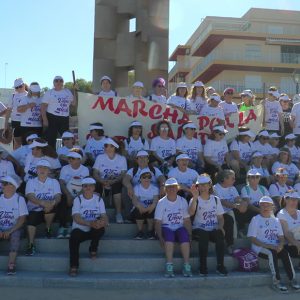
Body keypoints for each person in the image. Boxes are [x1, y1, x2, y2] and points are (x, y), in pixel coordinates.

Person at [248, 196, 300, 292]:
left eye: (268, 205)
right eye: (262, 205)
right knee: (271, 253)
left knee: (284, 252)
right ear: (259, 207)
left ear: (272, 207)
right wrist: (269, 246)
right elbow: (252, 239)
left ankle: (292, 279)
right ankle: (277, 281)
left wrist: (280, 245)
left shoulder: (276, 220)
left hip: (275, 246)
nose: (265, 207)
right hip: (260, 247)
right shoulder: (255, 219)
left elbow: (281, 237)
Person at [69, 177, 108, 277]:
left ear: (94, 187)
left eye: (90, 186)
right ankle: (74, 266)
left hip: (93, 228)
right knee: (73, 237)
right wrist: (90, 223)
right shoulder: (78, 200)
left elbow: (104, 216)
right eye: (85, 186)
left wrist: (102, 222)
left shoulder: (99, 199)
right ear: (82, 187)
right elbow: (76, 217)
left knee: (100, 229)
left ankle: (93, 249)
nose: (88, 188)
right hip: (80, 229)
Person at [189, 174, 227, 276]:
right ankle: (202, 266)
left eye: (206, 185)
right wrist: (195, 198)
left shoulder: (215, 199)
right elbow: (190, 213)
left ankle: (220, 266)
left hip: (213, 229)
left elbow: (220, 218)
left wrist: (220, 227)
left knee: (219, 234)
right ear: (198, 187)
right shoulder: (194, 199)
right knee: (204, 235)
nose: (204, 187)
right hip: (198, 229)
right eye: (201, 185)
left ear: (210, 185)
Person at [154, 178, 192, 277]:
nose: (172, 189)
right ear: (166, 189)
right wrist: (160, 237)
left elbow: (186, 220)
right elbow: (158, 222)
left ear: (177, 188)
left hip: (179, 227)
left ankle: (186, 265)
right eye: (169, 187)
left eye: (174, 187)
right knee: (169, 236)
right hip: (166, 227)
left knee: (184, 236)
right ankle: (169, 266)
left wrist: (190, 235)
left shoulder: (183, 201)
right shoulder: (161, 202)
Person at [25, 159, 61, 255]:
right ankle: (31, 245)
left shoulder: (54, 182)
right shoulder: (31, 182)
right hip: (34, 210)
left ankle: (48, 228)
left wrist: (52, 203)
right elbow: (30, 196)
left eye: (45, 168)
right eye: (40, 167)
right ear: (36, 170)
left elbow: (58, 196)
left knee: (52, 208)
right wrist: (43, 203)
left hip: (49, 210)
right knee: (31, 220)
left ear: (49, 171)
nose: (42, 170)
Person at [93, 138, 127, 224]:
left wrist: (114, 181)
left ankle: (118, 214)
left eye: (110, 146)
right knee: (96, 187)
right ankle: (97, 213)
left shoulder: (122, 158)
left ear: (115, 147)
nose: (107, 148)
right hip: (102, 182)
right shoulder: (100, 157)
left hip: (116, 182)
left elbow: (123, 174)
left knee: (117, 187)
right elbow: (95, 173)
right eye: (105, 146)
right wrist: (102, 181)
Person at [57, 149, 89, 238]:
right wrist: (68, 195)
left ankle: (71, 226)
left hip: (80, 194)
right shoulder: (65, 168)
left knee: (78, 202)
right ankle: (62, 226)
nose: (70, 159)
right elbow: (61, 182)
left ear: (79, 159)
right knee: (62, 200)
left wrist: (77, 197)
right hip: (67, 193)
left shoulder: (85, 169)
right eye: (69, 158)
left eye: (72, 158)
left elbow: (86, 185)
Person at [214, 170, 247, 253]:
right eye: (232, 179)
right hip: (219, 213)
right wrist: (236, 206)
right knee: (231, 215)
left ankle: (241, 230)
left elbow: (237, 198)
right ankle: (230, 244)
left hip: (230, 210)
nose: (234, 180)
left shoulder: (232, 188)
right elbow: (222, 202)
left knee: (244, 208)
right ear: (225, 179)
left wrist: (242, 203)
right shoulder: (215, 188)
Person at [0, 175, 28, 275]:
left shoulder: (19, 199)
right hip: (1, 229)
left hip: (16, 228)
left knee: (15, 235)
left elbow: (22, 219)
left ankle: (11, 264)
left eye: (5, 184)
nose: (2, 186)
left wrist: (10, 231)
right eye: (3, 184)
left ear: (13, 186)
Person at [41, 75, 76, 148]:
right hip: (52, 117)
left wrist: (74, 91)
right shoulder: (49, 92)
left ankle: (66, 154)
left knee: (66, 137)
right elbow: (43, 106)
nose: (59, 82)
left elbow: (73, 103)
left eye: (61, 81)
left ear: (63, 83)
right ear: (53, 83)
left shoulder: (67, 91)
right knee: (51, 138)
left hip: (64, 118)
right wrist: (45, 119)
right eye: (56, 81)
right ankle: (51, 156)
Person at [131, 168, 159, 240]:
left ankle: (150, 232)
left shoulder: (155, 188)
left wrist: (150, 208)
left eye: (149, 177)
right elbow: (134, 201)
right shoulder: (136, 188)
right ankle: (140, 231)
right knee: (138, 209)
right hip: (140, 210)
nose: (146, 179)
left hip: (150, 210)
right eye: (144, 177)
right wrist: (140, 207)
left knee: (153, 210)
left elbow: (155, 201)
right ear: (140, 179)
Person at [277, 191, 300, 270]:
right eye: (292, 199)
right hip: (289, 245)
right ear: (286, 200)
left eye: (296, 199)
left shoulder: (299, 213)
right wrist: (297, 243)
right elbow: (286, 233)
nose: (294, 202)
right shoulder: (281, 214)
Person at [6, 78, 28, 149]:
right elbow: (9, 110)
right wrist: (6, 123)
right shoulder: (13, 96)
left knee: (26, 143)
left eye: (20, 86)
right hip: (15, 121)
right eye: (16, 87)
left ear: (24, 85)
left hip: (26, 122)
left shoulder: (29, 96)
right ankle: (15, 159)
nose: (18, 89)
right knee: (16, 143)